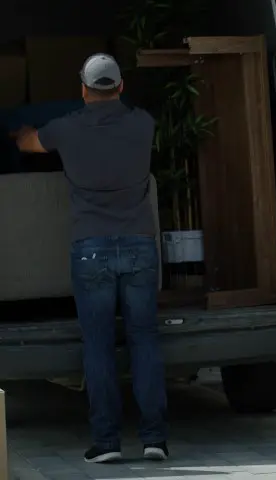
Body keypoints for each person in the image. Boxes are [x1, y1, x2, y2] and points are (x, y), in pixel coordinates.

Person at [13, 54, 169, 464]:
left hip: (91, 248)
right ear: (119, 87)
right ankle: (155, 439)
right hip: (139, 246)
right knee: (144, 340)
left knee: (98, 345)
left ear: (83, 88)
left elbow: (28, 145)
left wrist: (24, 132)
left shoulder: (65, 129)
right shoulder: (143, 124)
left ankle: (107, 443)